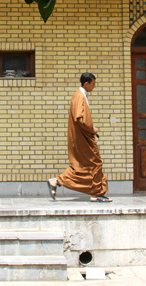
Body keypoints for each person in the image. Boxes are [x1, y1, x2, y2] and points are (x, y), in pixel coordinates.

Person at [47, 73, 111, 202]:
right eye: (93, 83)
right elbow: (80, 118)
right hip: (83, 138)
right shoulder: (79, 96)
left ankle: (57, 181)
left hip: (82, 137)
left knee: (86, 165)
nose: (94, 86)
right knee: (95, 163)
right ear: (86, 84)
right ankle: (97, 193)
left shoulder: (80, 95)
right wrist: (92, 129)